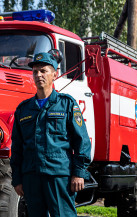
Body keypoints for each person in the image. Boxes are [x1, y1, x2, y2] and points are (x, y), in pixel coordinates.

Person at [10, 52, 91, 217]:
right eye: (35, 72)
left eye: (43, 71)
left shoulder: (66, 104)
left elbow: (81, 140)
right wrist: (17, 179)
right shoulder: (23, 109)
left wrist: (78, 173)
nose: (38, 75)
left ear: (54, 74)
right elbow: (17, 147)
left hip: (59, 176)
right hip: (31, 177)